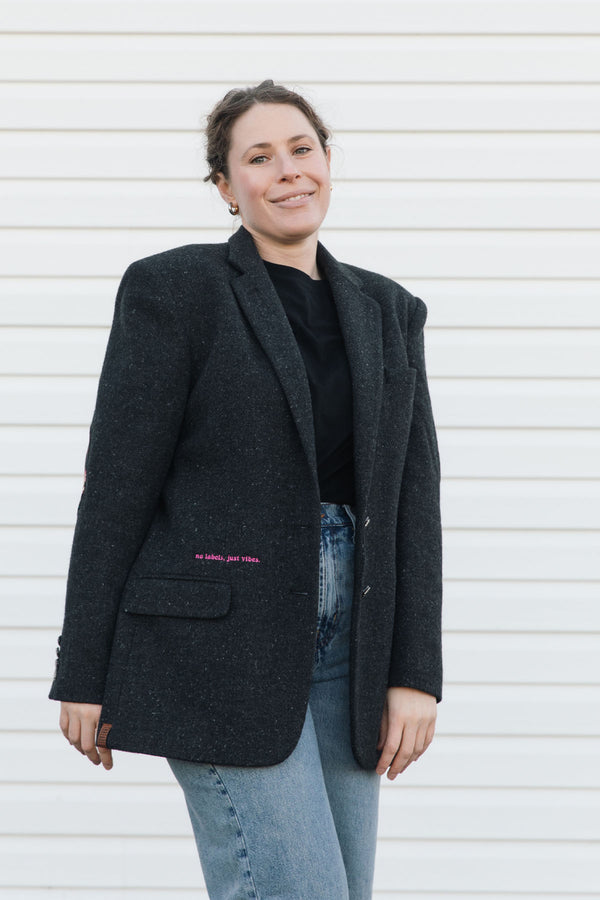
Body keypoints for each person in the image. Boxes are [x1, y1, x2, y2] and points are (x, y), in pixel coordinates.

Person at [49, 79, 443, 900]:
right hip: (217, 646)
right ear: (227, 189)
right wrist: (82, 668)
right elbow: (117, 486)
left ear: (329, 161)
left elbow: (413, 501)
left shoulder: (388, 310)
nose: (288, 170)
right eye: (258, 158)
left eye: (301, 149)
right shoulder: (175, 291)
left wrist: (416, 671)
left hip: (351, 650)